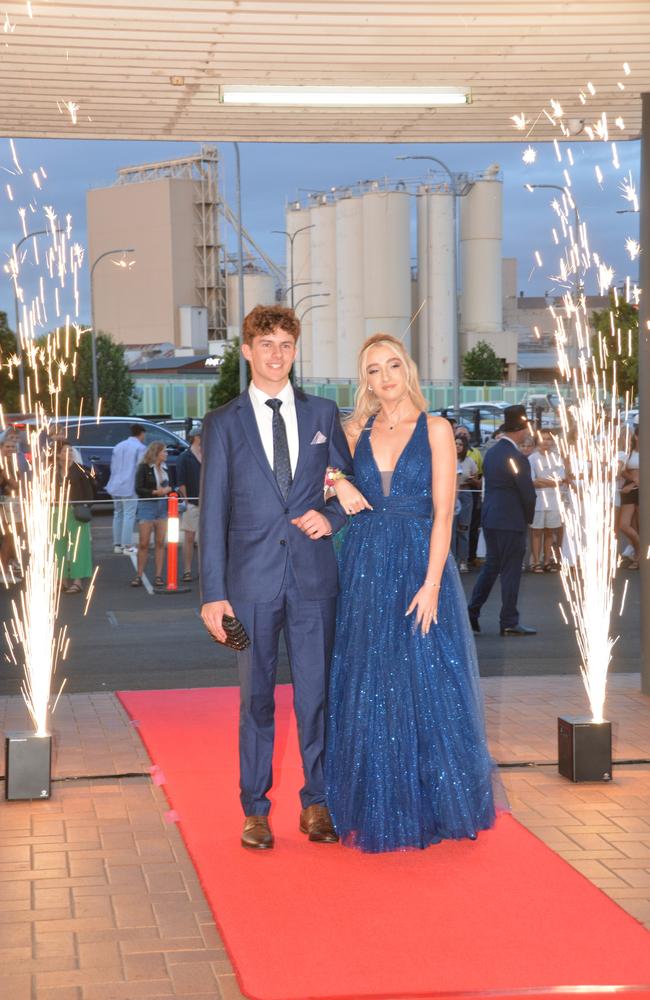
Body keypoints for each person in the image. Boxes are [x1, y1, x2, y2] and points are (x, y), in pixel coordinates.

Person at [325, 333, 497, 853]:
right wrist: (339, 480)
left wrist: (430, 582)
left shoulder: (438, 429)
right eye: (373, 370)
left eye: (392, 366)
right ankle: (374, 801)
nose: (384, 378)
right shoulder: (354, 428)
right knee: (371, 680)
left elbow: (445, 513)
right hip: (365, 563)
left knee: (427, 681)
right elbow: (315, 471)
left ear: (409, 369)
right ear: (365, 381)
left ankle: (436, 803)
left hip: (422, 566)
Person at [199, 305, 352, 851]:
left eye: (286, 344)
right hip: (249, 585)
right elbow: (211, 511)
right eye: (266, 344)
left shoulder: (323, 414)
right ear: (246, 351)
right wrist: (213, 594)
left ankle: (317, 803)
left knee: (316, 697)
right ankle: (255, 809)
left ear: (295, 350)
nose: (276, 354)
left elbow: (344, 482)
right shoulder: (222, 422)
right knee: (255, 701)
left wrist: (330, 516)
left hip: (313, 580)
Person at [467, 405, 537, 636]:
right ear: (519, 429)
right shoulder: (516, 457)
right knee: (510, 571)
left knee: (491, 566)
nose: (528, 432)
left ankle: (472, 612)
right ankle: (508, 619)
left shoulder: (493, 453)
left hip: (492, 516)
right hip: (510, 519)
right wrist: (527, 517)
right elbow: (527, 492)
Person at [53, 443, 95, 594]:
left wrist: (84, 507)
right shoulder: (52, 470)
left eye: (70, 451)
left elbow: (90, 493)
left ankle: (78, 581)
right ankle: (61, 580)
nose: (69, 453)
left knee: (79, 547)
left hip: (75, 511)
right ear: (58, 455)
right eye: (65, 451)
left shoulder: (80, 470)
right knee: (58, 547)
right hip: (56, 511)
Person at [133, 441, 171, 589]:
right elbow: (138, 488)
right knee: (143, 543)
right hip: (147, 506)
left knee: (160, 542)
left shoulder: (165, 468)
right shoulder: (143, 468)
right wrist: (155, 492)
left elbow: (169, 486)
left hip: (162, 506)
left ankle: (158, 576)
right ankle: (139, 575)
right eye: (164, 451)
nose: (166, 454)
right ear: (156, 453)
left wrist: (167, 490)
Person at [528, 430, 565, 573]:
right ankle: (536, 562)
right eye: (543, 439)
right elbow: (532, 481)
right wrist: (548, 481)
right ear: (537, 441)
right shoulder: (532, 458)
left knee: (550, 532)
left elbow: (560, 480)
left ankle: (547, 561)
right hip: (537, 500)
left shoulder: (557, 458)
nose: (546, 442)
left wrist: (544, 481)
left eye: (548, 439)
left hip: (554, 499)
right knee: (536, 531)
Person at [106, 424, 146, 554]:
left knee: (118, 513)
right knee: (129, 514)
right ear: (141, 434)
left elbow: (113, 466)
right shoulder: (140, 448)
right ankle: (127, 545)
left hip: (115, 483)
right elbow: (140, 468)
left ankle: (117, 545)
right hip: (130, 484)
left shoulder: (119, 446)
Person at [176, 429, 201, 583]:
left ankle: (203, 571)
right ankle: (187, 570)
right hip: (191, 502)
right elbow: (181, 482)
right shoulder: (184, 457)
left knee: (206, 540)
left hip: (208, 504)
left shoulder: (209, 455)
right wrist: (186, 501)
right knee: (189, 537)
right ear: (196, 438)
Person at [453, 434, 480, 573]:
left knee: (463, 528)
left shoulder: (469, 461)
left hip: (465, 494)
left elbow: (477, 479)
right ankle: (451, 561)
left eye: (460, 444)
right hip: (450, 494)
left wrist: (471, 480)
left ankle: (463, 560)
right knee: (451, 530)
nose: (457, 446)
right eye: (455, 444)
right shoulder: (447, 459)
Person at [619, 425, 639, 569]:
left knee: (641, 524)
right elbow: (622, 471)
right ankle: (641, 548)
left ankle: (638, 557)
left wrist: (633, 483)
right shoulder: (629, 453)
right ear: (636, 437)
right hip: (629, 490)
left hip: (641, 490)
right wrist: (632, 480)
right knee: (624, 525)